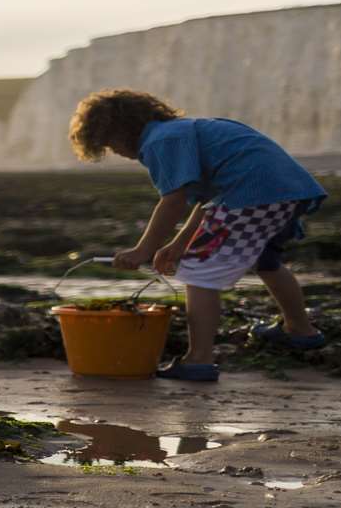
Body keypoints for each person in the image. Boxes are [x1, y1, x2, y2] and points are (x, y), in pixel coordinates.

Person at [68, 88, 326, 382]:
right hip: (288, 189)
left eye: (111, 144)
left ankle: (198, 360)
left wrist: (143, 250)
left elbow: (173, 200)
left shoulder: (161, 141)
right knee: (265, 257)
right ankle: (300, 330)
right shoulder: (185, 130)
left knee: (198, 270)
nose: (117, 153)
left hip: (254, 193)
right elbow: (208, 203)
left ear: (121, 128)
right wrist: (178, 244)